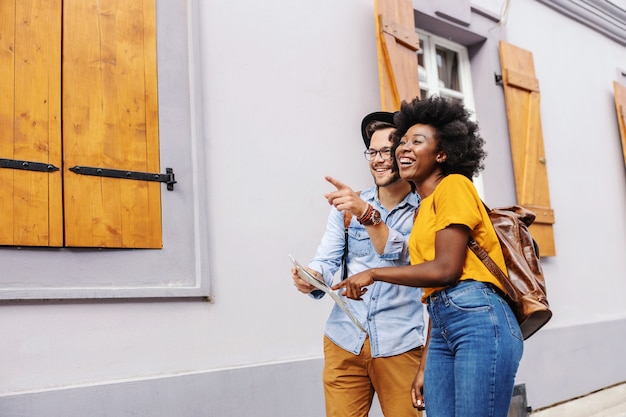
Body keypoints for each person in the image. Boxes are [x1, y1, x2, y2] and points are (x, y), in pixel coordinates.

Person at [333, 96, 524, 417]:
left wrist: (374, 273)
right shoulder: (425, 209)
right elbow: (436, 292)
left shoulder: (454, 186)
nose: (402, 148)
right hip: (442, 323)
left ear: (442, 153)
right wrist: (424, 367)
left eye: (416, 142)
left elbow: (446, 271)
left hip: (479, 319)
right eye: (402, 142)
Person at [291, 111, 426, 417]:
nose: (378, 160)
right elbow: (326, 259)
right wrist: (311, 277)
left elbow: (406, 256)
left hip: (399, 343)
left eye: (387, 152)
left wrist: (367, 214)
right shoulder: (349, 206)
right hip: (343, 339)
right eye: (373, 152)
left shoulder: (424, 209)